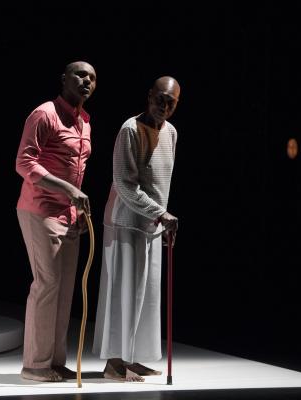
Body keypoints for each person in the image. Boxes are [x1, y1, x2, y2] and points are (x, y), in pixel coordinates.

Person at [92, 76, 180, 382]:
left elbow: (161, 183)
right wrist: (161, 213)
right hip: (125, 222)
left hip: (151, 224)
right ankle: (114, 363)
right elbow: (125, 184)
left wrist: (162, 220)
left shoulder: (171, 132)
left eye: (170, 102)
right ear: (149, 96)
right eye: (160, 99)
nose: (163, 106)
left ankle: (133, 356)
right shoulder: (130, 129)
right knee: (123, 292)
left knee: (148, 294)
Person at [15, 61, 97, 382]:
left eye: (92, 78)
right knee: (47, 284)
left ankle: (55, 361)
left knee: (64, 289)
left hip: (69, 214)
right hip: (40, 209)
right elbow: (24, 162)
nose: (86, 81)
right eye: (80, 75)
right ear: (64, 79)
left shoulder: (85, 122)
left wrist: (77, 209)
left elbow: (77, 170)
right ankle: (35, 364)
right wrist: (68, 190)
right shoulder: (44, 114)